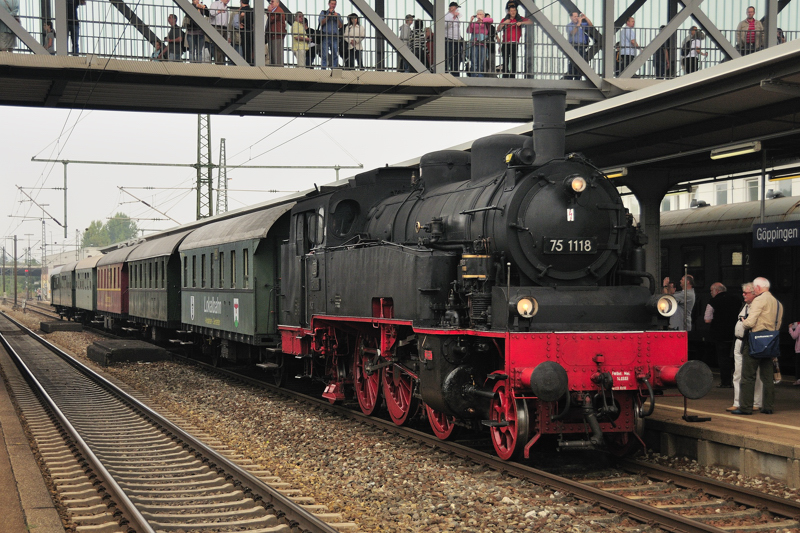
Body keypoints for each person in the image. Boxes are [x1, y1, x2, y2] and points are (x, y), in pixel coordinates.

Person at [734, 277, 783, 415]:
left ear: (759, 288)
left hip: (755, 341)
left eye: (755, 288)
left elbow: (750, 323)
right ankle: (768, 407)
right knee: (767, 377)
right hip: (770, 341)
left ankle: (746, 407)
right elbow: (778, 324)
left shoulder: (759, 300)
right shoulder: (777, 303)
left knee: (748, 376)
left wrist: (744, 321)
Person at [730, 283, 763, 411]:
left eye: (746, 293)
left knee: (754, 373)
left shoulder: (758, 307)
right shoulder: (745, 305)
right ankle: (737, 401)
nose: (743, 294)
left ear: (754, 294)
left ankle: (756, 402)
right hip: (739, 342)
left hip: (751, 342)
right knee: (737, 373)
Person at [705, 282, 742, 388]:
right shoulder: (736, 299)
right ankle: (738, 382)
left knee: (723, 358)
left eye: (711, 290)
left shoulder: (713, 301)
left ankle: (725, 382)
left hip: (720, 334)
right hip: (735, 333)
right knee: (736, 358)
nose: (711, 293)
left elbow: (707, 319)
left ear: (717, 290)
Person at [497, 4, 531, 79]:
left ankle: (512, 75)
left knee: (513, 60)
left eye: (514, 10)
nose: (513, 12)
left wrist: (521, 23)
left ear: (516, 11)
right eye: (511, 11)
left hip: (514, 42)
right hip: (505, 42)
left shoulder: (519, 19)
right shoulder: (505, 19)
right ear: (508, 12)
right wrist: (505, 23)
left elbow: (530, 22)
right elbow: (498, 29)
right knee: (505, 59)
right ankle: (505, 74)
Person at [565, 11, 592, 80]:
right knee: (573, 62)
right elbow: (572, 33)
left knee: (582, 63)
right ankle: (571, 76)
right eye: (575, 16)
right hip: (574, 46)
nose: (576, 18)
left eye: (577, 16)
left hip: (582, 46)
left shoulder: (582, 25)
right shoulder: (569, 25)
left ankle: (578, 77)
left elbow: (590, 25)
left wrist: (585, 18)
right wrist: (579, 23)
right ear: (571, 17)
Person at [466, 10, 493, 77]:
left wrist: (482, 19)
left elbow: (491, 20)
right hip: (475, 43)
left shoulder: (486, 23)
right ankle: (473, 74)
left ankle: (480, 74)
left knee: (481, 60)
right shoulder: (474, 23)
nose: (479, 16)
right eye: (478, 14)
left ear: (483, 15)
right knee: (474, 59)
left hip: (483, 44)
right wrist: (471, 21)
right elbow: (468, 30)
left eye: (480, 14)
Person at [318, 0, 342, 69]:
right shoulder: (323, 12)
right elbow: (321, 22)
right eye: (332, 4)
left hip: (334, 36)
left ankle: (334, 69)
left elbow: (340, 26)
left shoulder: (338, 14)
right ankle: (323, 69)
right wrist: (328, 16)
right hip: (325, 35)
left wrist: (336, 17)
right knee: (324, 54)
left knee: (335, 54)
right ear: (329, 4)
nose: (333, 5)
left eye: (334, 4)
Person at [208, 0, 230, 64]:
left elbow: (227, 21)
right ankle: (219, 63)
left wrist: (228, 35)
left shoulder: (226, 7)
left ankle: (222, 62)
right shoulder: (215, 4)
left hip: (224, 28)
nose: (228, 0)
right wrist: (219, 11)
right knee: (218, 47)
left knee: (224, 47)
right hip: (217, 27)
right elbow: (211, 13)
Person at [444, 2, 463, 76]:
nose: (457, 9)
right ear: (451, 8)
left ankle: (455, 73)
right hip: (449, 39)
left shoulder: (457, 16)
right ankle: (445, 73)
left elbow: (461, 15)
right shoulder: (447, 16)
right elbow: (445, 26)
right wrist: (453, 18)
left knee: (456, 58)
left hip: (457, 40)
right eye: (456, 8)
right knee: (448, 57)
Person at [265, 0, 286, 66]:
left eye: (272, 1)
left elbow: (272, 19)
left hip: (277, 35)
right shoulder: (275, 11)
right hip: (273, 35)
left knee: (276, 55)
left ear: (277, 3)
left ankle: (278, 70)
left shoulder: (278, 10)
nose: (271, 3)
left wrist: (269, 11)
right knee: (273, 55)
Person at [239, 0, 254, 65]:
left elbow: (240, 19)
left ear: (241, 2)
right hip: (251, 31)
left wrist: (240, 22)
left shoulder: (242, 10)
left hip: (244, 31)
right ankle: (251, 63)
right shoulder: (252, 10)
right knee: (250, 49)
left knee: (245, 49)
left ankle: (246, 63)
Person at [789, 319, 800, 385]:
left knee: (798, 365)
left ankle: (799, 380)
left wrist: (790, 328)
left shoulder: (799, 326)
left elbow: (794, 336)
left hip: (799, 350)